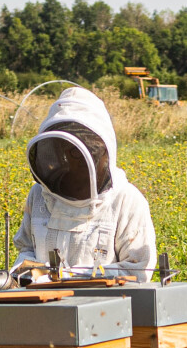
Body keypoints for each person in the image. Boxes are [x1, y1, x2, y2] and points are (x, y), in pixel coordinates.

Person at [8, 87, 157, 279]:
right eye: (68, 149)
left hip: (106, 307)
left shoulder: (126, 199)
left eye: (83, 148)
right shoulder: (39, 194)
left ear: (104, 150)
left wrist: (65, 276)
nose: (76, 156)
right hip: (43, 306)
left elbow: (138, 270)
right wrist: (25, 272)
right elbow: (26, 250)